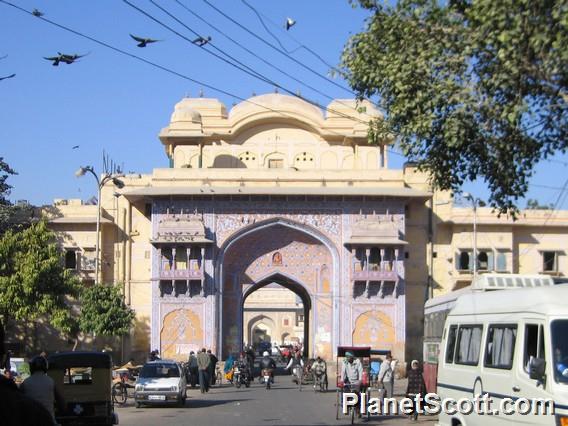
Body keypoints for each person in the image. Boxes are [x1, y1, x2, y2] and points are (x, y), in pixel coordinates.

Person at [20, 355, 64, 424]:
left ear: (31, 368)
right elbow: (61, 403)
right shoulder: (50, 381)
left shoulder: (25, 383)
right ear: (45, 368)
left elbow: (18, 402)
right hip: (49, 421)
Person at [340, 351, 364, 417]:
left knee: (357, 395)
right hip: (348, 380)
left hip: (356, 380)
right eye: (346, 357)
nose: (347, 358)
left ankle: (357, 409)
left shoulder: (357, 361)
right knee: (345, 392)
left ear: (352, 357)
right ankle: (346, 406)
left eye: (349, 357)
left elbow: (360, 371)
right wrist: (342, 380)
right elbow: (343, 371)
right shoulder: (344, 361)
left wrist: (360, 380)